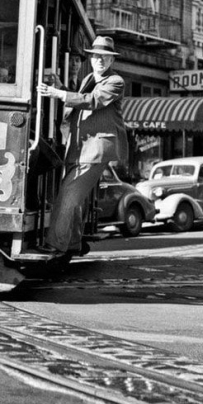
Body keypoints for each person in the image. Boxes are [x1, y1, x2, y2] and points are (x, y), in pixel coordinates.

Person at [35, 35, 128, 256]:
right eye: (96, 56)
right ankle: (73, 243)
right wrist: (61, 87)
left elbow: (91, 101)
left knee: (67, 196)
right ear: (91, 58)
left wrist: (59, 93)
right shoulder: (89, 78)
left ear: (112, 60)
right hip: (78, 148)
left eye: (105, 57)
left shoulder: (116, 81)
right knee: (75, 199)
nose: (100, 60)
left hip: (96, 150)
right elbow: (80, 99)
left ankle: (55, 245)